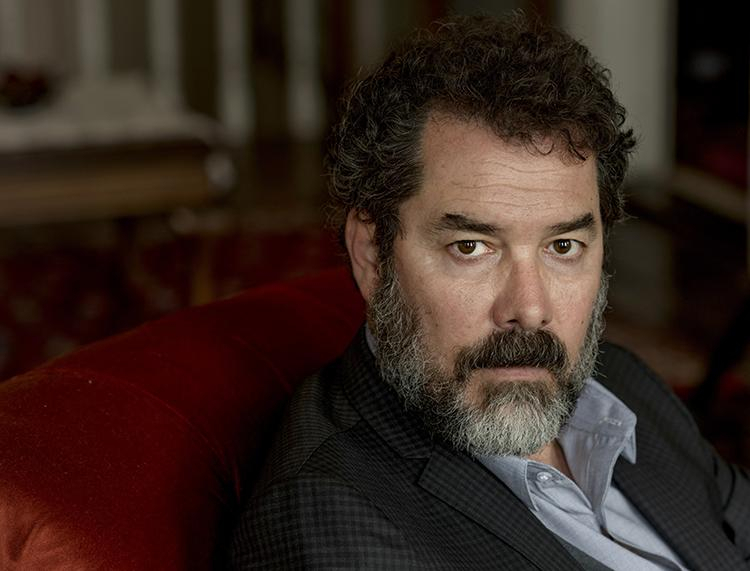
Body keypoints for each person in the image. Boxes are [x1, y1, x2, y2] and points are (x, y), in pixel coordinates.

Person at [229, 13, 750, 570]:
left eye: (564, 246)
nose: (530, 308)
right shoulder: (338, 525)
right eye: (472, 247)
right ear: (372, 254)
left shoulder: (621, 389)